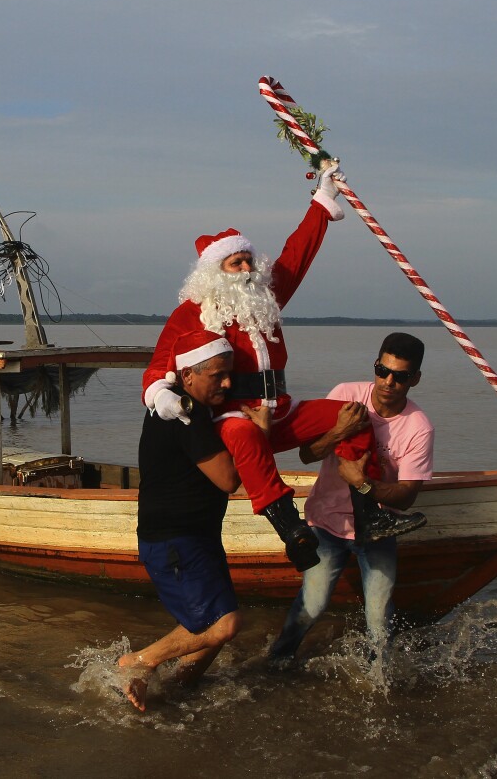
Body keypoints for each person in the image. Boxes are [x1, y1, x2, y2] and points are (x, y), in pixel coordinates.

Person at [142, 161, 401, 573]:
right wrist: (162, 395)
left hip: (281, 407)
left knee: (353, 416)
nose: (246, 270)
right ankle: (290, 530)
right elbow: (157, 368)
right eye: (235, 264)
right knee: (243, 433)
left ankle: (369, 514)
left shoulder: (267, 295)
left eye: (248, 261)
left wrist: (324, 198)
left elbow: (297, 254)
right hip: (235, 413)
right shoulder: (192, 313)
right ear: (215, 272)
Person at [268, 332, 434, 663]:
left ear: (415, 378)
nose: (388, 382)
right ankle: (277, 662)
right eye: (381, 370)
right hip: (327, 523)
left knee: (378, 617)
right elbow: (306, 455)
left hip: (378, 530)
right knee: (311, 606)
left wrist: (363, 483)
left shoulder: (418, 427)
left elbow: (407, 497)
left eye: (400, 376)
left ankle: (379, 682)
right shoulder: (346, 395)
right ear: (375, 365)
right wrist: (339, 431)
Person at [118, 330, 257, 712]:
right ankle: (140, 661)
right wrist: (258, 432)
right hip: (174, 541)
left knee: (217, 629)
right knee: (223, 624)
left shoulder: (180, 406)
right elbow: (228, 480)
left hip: (198, 536)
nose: (227, 383)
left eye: (229, 374)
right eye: (218, 376)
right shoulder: (185, 415)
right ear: (189, 376)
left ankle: (180, 691)